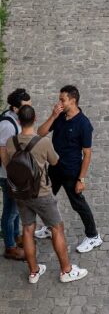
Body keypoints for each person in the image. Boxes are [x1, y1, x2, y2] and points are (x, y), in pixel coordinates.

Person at [1, 103, 88, 284]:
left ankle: (33, 271)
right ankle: (66, 270)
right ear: (34, 119)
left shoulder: (11, 142)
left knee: (27, 229)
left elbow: (8, 163)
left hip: (21, 194)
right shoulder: (43, 142)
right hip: (41, 193)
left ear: (18, 120)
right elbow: (55, 162)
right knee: (57, 228)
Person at [36, 86, 102, 254]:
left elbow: (87, 153)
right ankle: (50, 228)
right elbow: (40, 133)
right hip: (55, 168)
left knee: (78, 204)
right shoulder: (59, 117)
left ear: (73, 100)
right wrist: (53, 115)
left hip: (71, 171)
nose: (59, 103)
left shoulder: (83, 124)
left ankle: (93, 236)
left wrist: (81, 179)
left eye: (62, 100)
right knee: (46, 199)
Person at [0, 87, 30, 261]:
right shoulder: (7, 126)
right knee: (10, 211)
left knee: (17, 208)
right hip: (7, 175)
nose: (29, 110)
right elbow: (2, 151)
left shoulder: (16, 119)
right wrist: (12, 174)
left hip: (15, 173)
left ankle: (16, 235)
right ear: (14, 108)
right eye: (25, 107)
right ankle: (10, 246)